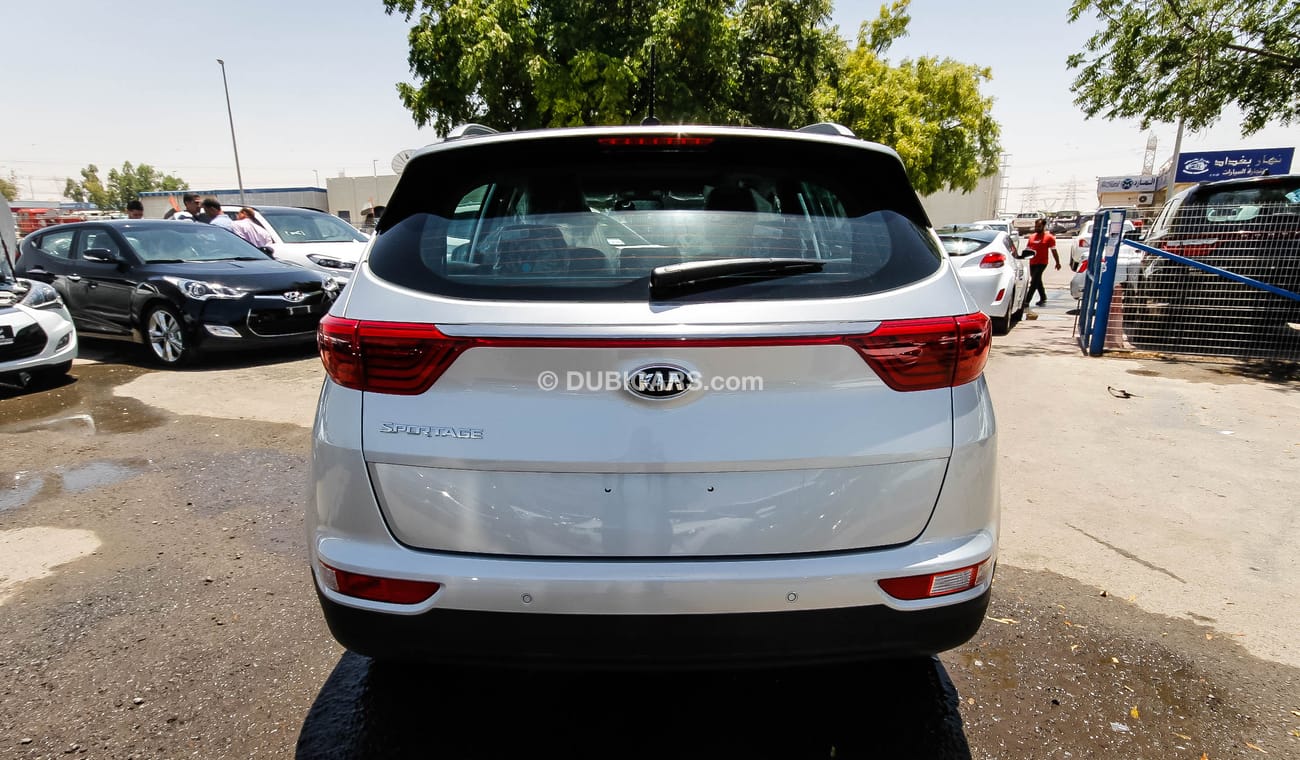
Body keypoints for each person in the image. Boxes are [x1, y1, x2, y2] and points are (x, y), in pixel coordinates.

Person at [1023, 217, 1060, 307]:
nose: (1037, 228)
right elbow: (1028, 249)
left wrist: (1057, 262)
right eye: (1036, 226)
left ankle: (1027, 301)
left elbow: (1054, 250)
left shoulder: (1049, 238)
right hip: (1032, 262)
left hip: (1042, 262)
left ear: (1043, 226)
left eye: (1039, 226)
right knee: (1037, 280)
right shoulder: (1032, 237)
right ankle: (1043, 297)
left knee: (1034, 281)